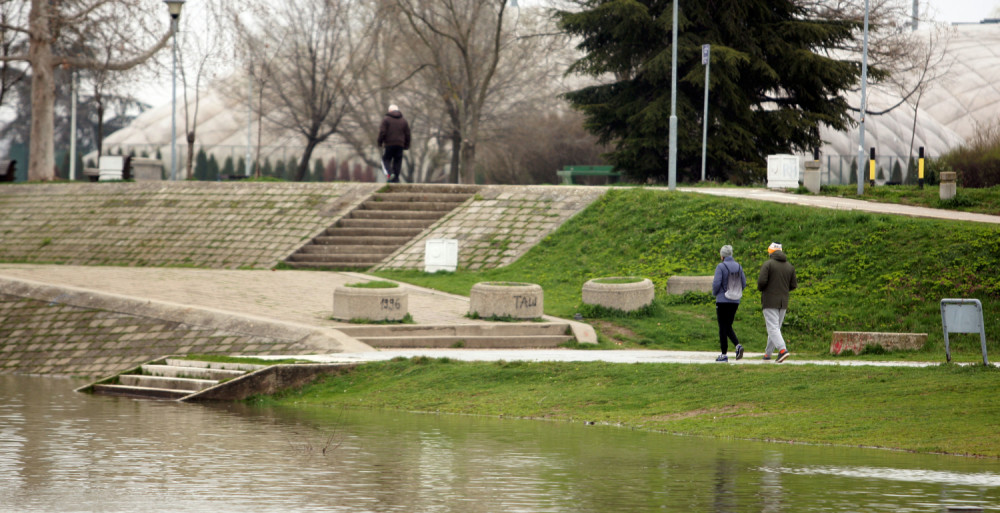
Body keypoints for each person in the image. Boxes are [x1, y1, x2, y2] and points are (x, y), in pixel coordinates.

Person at [757, 242, 797, 363]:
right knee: (776, 328)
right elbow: (793, 285)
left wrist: (763, 289)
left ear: (770, 252)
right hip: (783, 301)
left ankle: (782, 350)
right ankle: (768, 354)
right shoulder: (790, 266)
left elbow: (761, 282)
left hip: (769, 300)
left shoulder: (768, 264)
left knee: (772, 328)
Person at [712, 245, 746, 362]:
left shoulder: (721, 266)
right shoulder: (739, 266)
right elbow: (743, 283)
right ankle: (737, 346)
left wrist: (715, 293)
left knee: (723, 327)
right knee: (727, 325)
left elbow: (716, 283)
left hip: (722, 300)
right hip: (735, 301)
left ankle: (724, 354)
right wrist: (736, 293)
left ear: (722, 256)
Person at [377, 104, 411, 183]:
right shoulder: (403, 121)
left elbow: (382, 132)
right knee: (397, 161)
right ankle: (396, 179)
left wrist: (380, 142)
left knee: (386, 159)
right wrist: (406, 145)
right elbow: (408, 134)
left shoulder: (386, 119)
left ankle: (390, 173)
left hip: (389, 144)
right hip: (400, 144)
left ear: (389, 111)